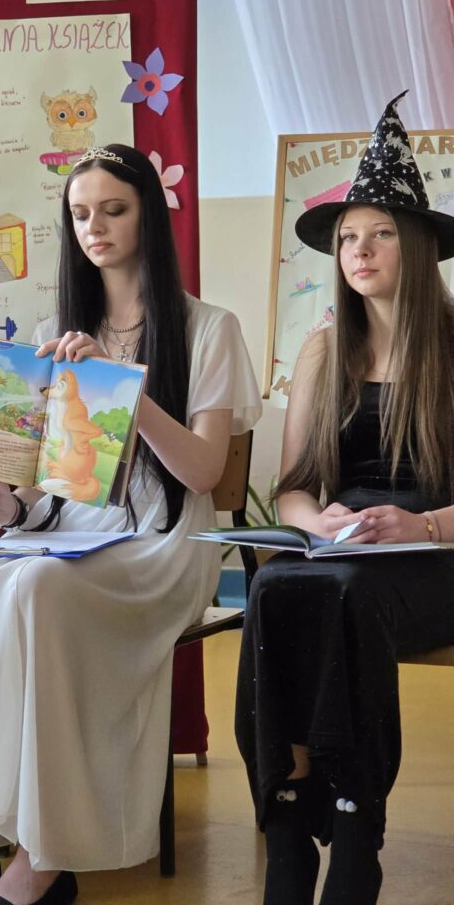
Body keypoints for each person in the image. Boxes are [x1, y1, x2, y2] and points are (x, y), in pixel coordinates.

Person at [0, 144, 262, 905]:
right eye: (80, 214)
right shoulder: (56, 328)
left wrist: (123, 392)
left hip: (165, 543)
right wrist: (3, 503)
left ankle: (44, 857)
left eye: (114, 210)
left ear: (148, 217)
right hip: (73, 533)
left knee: (39, 587)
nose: (95, 228)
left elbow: (203, 473)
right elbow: (51, 486)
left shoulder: (208, 328)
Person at [235, 93, 454, 905]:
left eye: (381, 233)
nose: (359, 250)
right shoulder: (324, 349)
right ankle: (290, 827)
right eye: (348, 237)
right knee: (273, 586)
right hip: (346, 547)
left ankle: (358, 835)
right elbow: (293, 489)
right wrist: (315, 521)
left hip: (437, 550)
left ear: (417, 245)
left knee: (345, 596)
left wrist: (422, 523)